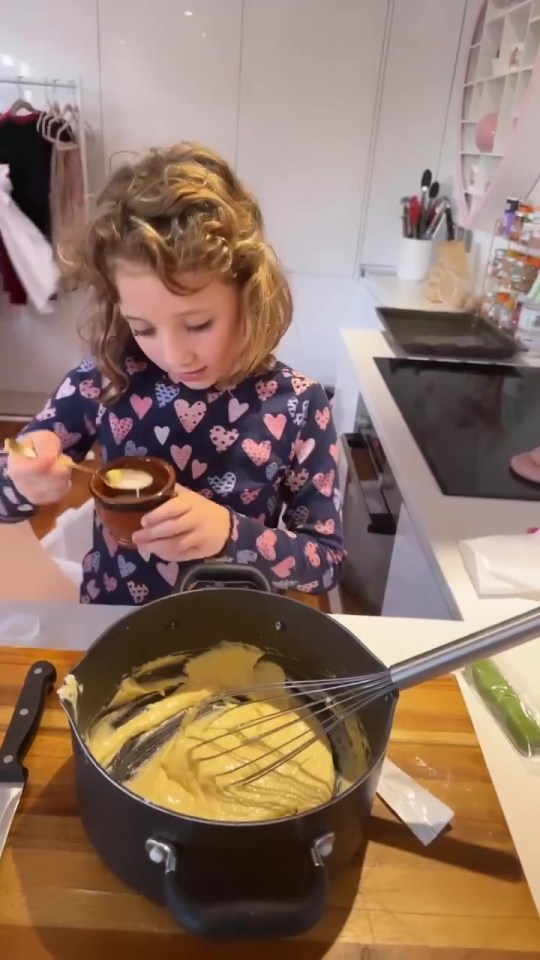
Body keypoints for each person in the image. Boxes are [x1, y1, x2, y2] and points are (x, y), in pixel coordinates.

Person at [0, 143, 345, 605]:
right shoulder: (103, 379)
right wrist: (21, 480)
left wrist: (229, 533)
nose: (175, 354)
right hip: (113, 624)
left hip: (233, 632)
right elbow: (6, 492)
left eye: (199, 324)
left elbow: (324, 563)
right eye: (143, 328)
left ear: (249, 292)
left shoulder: (299, 406)